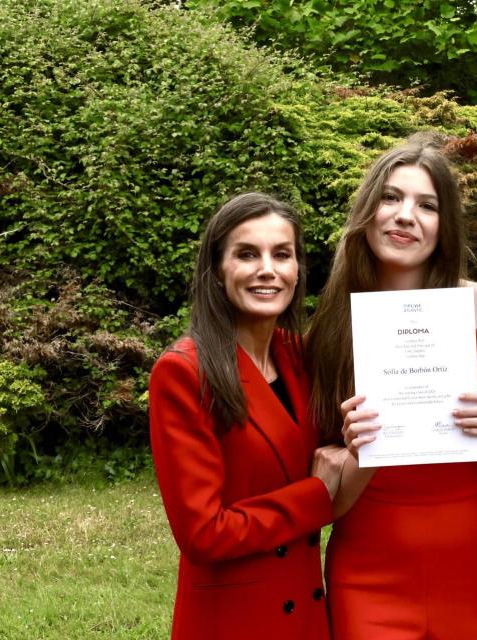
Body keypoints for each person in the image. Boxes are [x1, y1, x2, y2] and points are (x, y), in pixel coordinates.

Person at [305, 138, 477, 639]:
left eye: (427, 206)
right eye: (390, 198)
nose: (406, 215)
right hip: (370, 567)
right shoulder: (332, 327)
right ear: (367, 212)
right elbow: (326, 501)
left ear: (444, 225)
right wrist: (357, 454)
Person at [148, 193, 344, 640]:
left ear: (298, 270)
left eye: (282, 254)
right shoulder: (183, 372)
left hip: (308, 615)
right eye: (247, 254)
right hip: (236, 620)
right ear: (217, 270)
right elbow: (204, 534)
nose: (267, 269)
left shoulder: (301, 358)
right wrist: (316, 495)